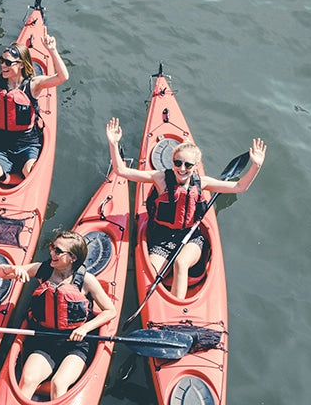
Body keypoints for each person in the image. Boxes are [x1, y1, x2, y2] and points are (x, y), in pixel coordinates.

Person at [107, 118, 267, 297]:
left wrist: (256, 166)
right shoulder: (160, 178)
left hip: (191, 238)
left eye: (188, 165)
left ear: (196, 166)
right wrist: (113, 144)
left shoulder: (202, 182)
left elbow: (239, 187)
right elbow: (122, 171)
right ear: (172, 161)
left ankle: (177, 314)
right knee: (150, 273)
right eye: (177, 163)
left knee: (180, 263)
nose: (182, 168)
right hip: (161, 238)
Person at [0, 231, 117, 400]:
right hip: (44, 339)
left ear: (72, 258)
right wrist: (12, 269)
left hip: (76, 343)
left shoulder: (87, 280)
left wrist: (86, 328)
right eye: (52, 247)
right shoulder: (43, 269)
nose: (51, 253)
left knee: (58, 384)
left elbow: (110, 311)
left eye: (58, 251)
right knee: (27, 380)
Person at [0, 34, 67, 184]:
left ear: (20, 64)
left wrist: (52, 50)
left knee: (31, 173)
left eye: (8, 62)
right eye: (2, 61)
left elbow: (62, 77)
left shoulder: (33, 85)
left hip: (27, 143)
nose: (3, 65)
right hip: (0, 145)